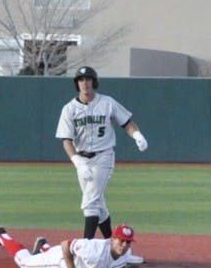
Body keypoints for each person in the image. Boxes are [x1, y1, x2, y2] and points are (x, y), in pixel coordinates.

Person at [56, 66, 148, 239]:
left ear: (94, 82)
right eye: (81, 80)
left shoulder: (107, 103)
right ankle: (112, 244)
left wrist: (137, 135)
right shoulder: (69, 109)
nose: (85, 83)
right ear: (77, 84)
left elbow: (127, 122)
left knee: (90, 203)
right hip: (82, 160)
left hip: (103, 157)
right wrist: (77, 162)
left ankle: (86, 246)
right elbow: (66, 140)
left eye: (88, 79)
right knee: (99, 205)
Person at [0, 223, 144, 268]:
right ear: (112, 240)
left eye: (128, 242)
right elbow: (66, 244)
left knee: (43, 254)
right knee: (25, 264)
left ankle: (43, 246)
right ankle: (1, 235)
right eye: (121, 241)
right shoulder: (93, 249)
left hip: (64, 256)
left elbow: (126, 263)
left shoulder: (126, 254)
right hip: (60, 260)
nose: (124, 245)